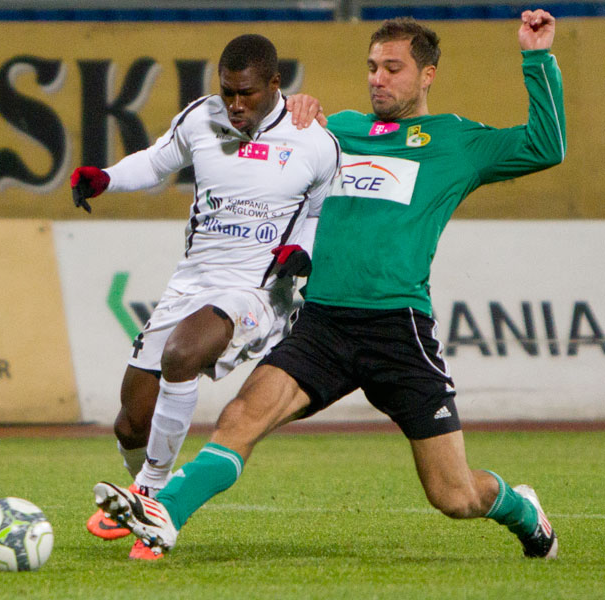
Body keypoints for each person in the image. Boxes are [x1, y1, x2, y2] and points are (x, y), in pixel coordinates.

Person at [93, 10, 565, 560]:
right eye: (372, 67)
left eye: (393, 68)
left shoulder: (456, 141)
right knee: (241, 417)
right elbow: (272, 135)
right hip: (321, 323)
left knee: (454, 496)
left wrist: (537, 58)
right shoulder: (333, 130)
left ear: (427, 75)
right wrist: (295, 107)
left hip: (397, 329)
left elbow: (546, 146)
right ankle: (164, 514)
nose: (377, 79)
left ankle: (522, 508)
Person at [71, 34, 340, 559]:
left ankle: (150, 493)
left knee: (183, 353)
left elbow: (322, 213)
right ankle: (143, 488)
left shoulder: (313, 140)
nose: (235, 104)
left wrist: (303, 252)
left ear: (275, 84)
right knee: (131, 420)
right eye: (227, 91)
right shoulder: (202, 117)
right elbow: (155, 161)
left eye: (247, 93)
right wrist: (106, 178)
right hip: (191, 282)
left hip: (258, 290)